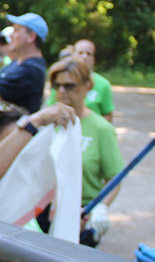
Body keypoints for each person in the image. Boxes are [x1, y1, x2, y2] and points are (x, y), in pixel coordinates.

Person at [48, 56, 124, 247]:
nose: (62, 92)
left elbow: (114, 179)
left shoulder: (101, 129)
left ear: (87, 86)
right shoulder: (46, 123)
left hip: (80, 220)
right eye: (57, 86)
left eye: (70, 86)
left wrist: (100, 208)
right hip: (45, 214)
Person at [0, 12, 49, 113]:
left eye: (16, 30)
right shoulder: (17, 63)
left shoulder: (30, 70)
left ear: (31, 37)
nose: (11, 35)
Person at [73, 39, 114, 122]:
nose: (85, 57)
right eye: (80, 53)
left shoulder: (103, 84)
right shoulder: (61, 81)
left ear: (93, 59)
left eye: (89, 54)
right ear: (73, 56)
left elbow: (108, 116)